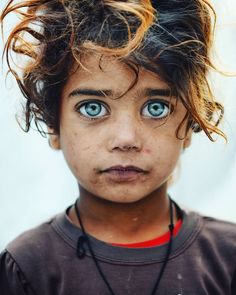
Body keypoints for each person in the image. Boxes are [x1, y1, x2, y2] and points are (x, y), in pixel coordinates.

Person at [0, 0, 235, 294]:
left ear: (189, 123)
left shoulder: (227, 260)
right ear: (54, 124)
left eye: (156, 108)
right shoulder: (26, 267)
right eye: (93, 108)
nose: (126, 139)